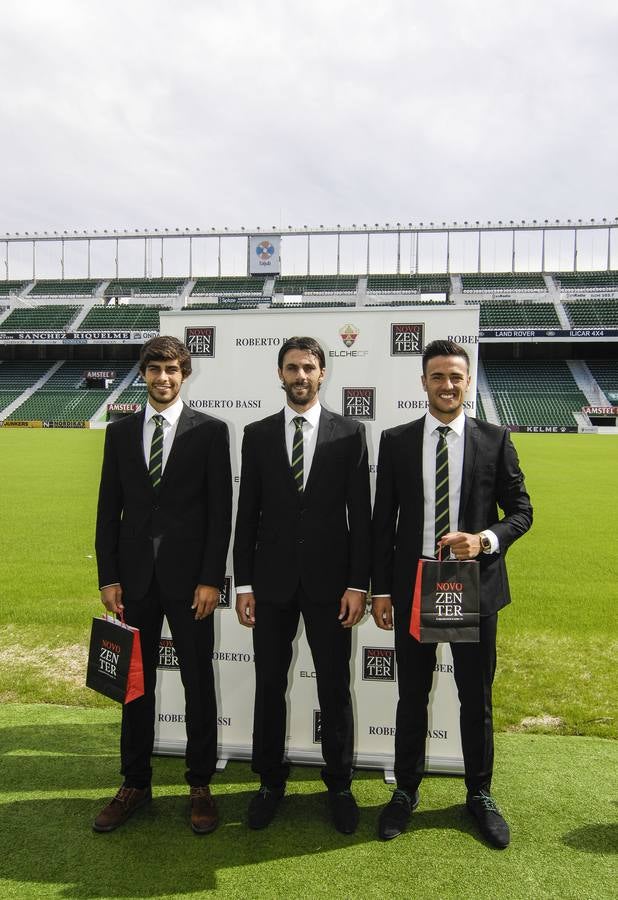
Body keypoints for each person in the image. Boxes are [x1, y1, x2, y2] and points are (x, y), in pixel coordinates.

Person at [371, 339, 532, 848]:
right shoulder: (397, 440)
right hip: (415, 584)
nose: (447, 385)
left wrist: (483, 540)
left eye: (455, 377)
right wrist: (380, 591)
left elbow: (521, 513)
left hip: (474, 589)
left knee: (474, 698)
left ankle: (479, 793)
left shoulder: (495, 439)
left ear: (467, 380)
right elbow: (382, 524)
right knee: (411, 696)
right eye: (437, 376)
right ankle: (405, 791)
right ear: (423, 382)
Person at [93, 335, 232, 835]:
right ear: (143, 373)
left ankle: (199, 784)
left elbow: (221, 514)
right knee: (135, 687)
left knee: (198, 684)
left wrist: (210, 579)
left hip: (190, 584)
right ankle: (134, 782)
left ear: (185, 373)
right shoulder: (120, 431)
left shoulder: (212, 432)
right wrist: (108, 576)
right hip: (133, 584)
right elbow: (109, 511)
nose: (163, 378)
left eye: (172, 369)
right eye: (154, 369)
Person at [233, 336, 371, 834]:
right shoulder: (257, 433)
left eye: (309, 367)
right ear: (279, 373)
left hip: (331, 586)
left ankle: (339, 784)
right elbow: (246, 514)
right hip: (269, 585)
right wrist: (242, 583)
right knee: (269, 685)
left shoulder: (351, 433)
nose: (300, 375)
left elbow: (363, 516)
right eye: (292, 367)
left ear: (322, 372)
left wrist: (359, 584)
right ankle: (270, 781)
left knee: (334, 688)